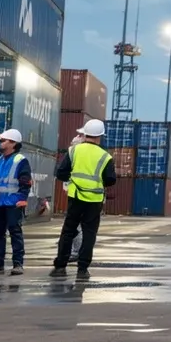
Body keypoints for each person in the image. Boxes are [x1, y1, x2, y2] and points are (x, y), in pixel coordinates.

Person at [51, 118, 117, 281]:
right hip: (94, 200)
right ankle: (83, 268)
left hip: (75, 197)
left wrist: (74, 180)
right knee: (89, 234)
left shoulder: (73, 151)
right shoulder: (105, 156)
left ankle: (60, 266)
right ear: (100, 136)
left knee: (68, 231)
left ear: (85, 133)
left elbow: (61, 173)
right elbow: (110, 180)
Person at [0, 128, 33, 275]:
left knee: (15, 232)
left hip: (13, 202)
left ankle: (18, 264)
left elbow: (25, 181)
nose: (1, 143)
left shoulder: (20, 160)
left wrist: (23, 198)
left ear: (13, 143)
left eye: (4, 141)